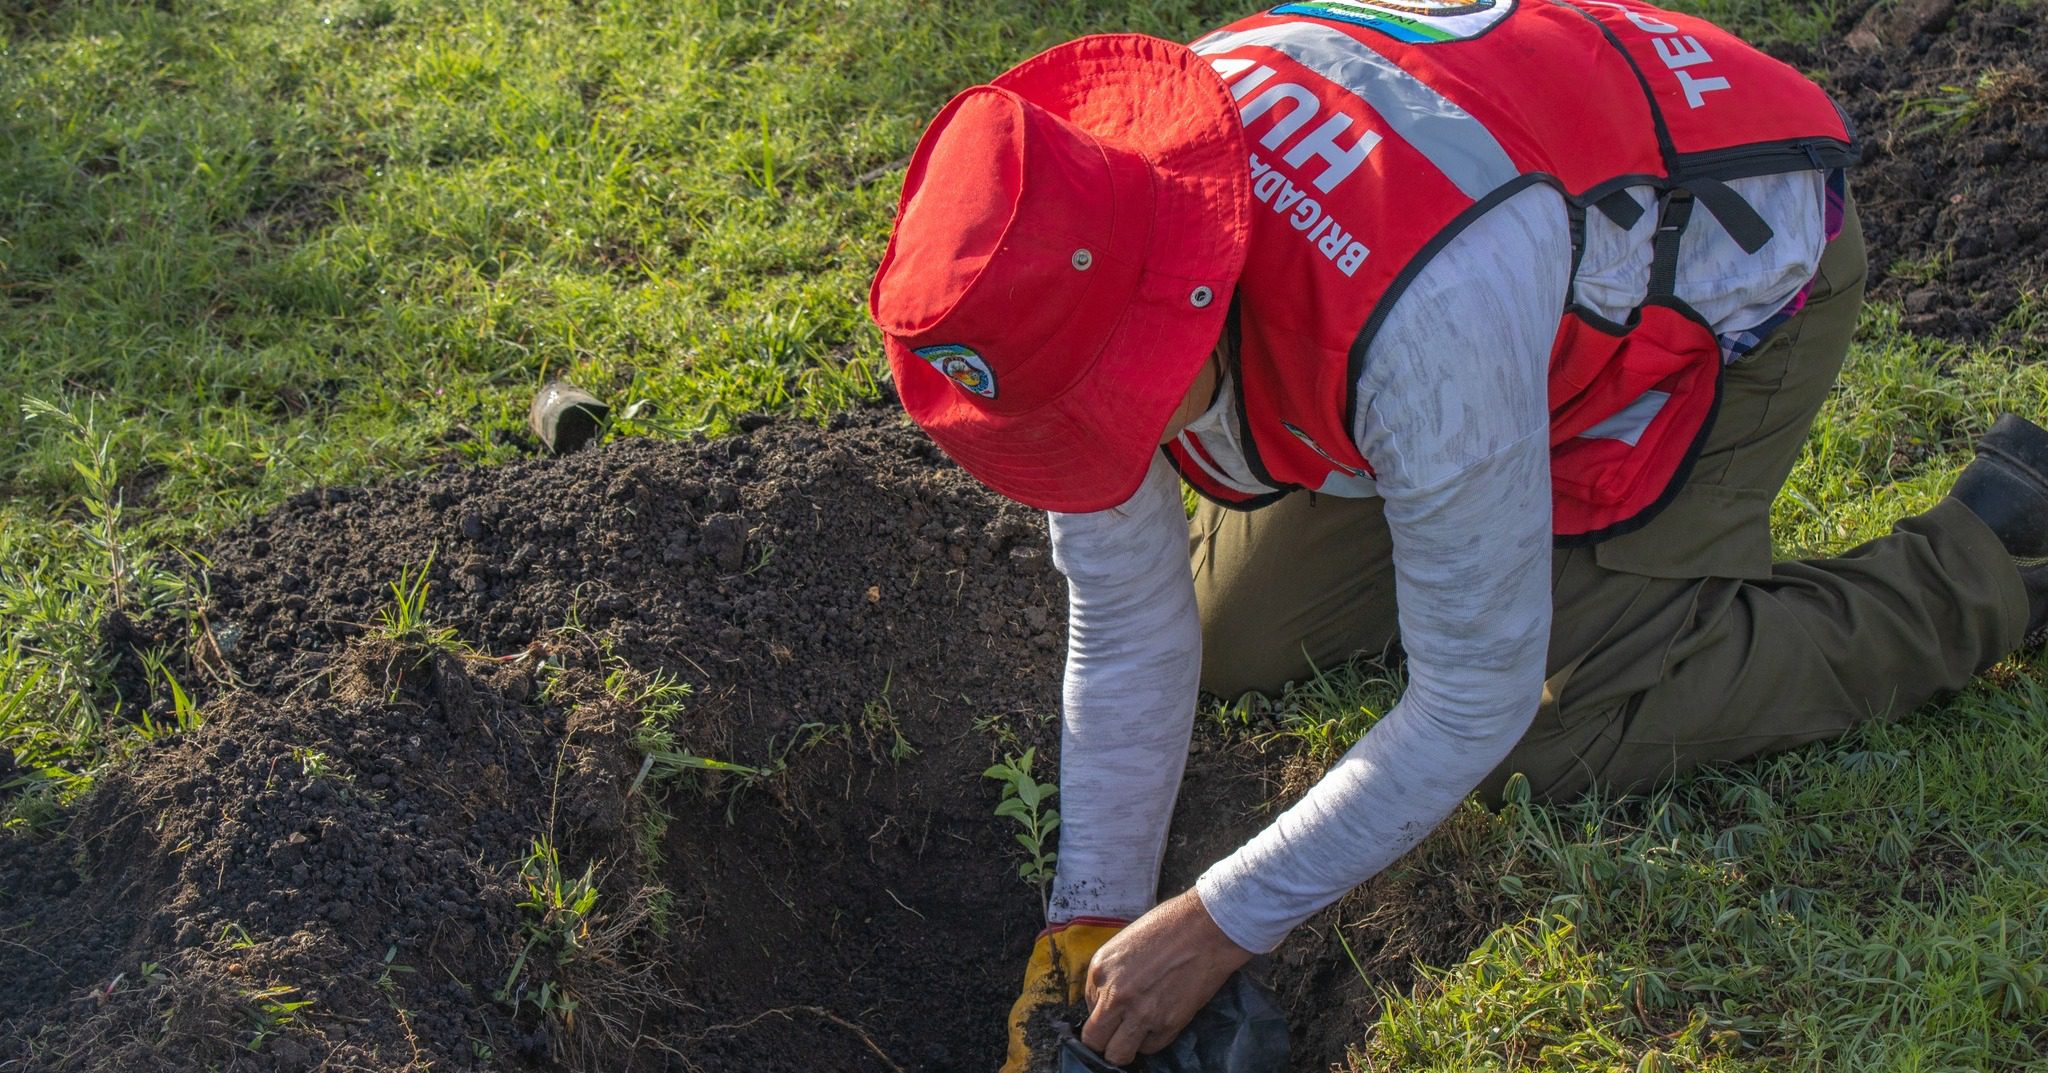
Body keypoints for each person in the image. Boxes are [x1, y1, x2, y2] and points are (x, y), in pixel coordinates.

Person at [866, 1, 2048, 1067]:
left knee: (1556, 724)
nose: (1093, 455)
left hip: (1715, 277)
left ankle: (1992, 551)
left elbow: (1471, 700)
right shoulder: (1100, 222)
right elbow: (1131, 623)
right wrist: (1090, 914)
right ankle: (1474, 501)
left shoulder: (1421, 315)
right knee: (1233, 634)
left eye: (1103, 414)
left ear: (1171, 302)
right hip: (1499, 294)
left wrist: (1222, 917)